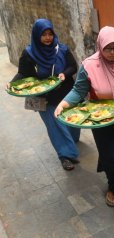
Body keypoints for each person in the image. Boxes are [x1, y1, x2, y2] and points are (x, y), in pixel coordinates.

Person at [54, 26, 114, 207]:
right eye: (108, 48)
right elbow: (79, 90)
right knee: (113, 157)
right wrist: (63, 104)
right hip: (102, 119)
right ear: (100, 46)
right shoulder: (89, 65)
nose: (112, 53)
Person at [7, 18, 80, 171]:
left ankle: (71, 141)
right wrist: (12, 84)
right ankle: (65, 155)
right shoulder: (29, 53)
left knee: (71, 122)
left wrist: (64, 75)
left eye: (50, 34)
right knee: (55, 125)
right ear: (36, 35)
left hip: (66, 93)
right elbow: (23, 73)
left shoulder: (62, 49)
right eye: (44, 34)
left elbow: (73, 66)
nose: (48, 38)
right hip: (43, 98)